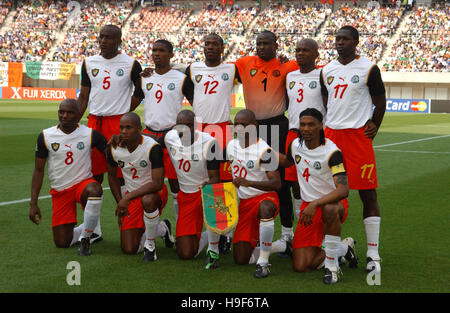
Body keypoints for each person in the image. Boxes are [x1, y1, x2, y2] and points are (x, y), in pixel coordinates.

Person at [320, 25, 386, 273]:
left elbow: (380, 101)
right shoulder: (326, 70)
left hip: (358, 137)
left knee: (368, 194)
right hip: (331, 136)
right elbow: (327, 101)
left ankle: (372, 253)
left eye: (345, 39)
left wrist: (374, 125)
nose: (339, 42)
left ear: (356, 42)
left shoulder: (369, 67)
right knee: (328, 191)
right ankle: (333, 247)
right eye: (337, 38)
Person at [234, 30, 299, 252]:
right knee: (247, 172)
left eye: (266, 43)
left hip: (276, 126)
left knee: (280, 179)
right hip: (251, 126)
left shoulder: (288, 65)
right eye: (258, 43)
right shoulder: (243, 63)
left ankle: (288, 234)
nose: (261, 47)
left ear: (275, 45)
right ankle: (245, 229)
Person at [278, 108, 357, 284]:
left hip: (333, 204)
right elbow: (287, 161)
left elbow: (343, 190)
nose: (306, 129)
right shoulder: (295, 145)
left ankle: (331, 267)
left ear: (321, 126)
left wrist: (315, 204)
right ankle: (344, 248)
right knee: (300, 265)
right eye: (302, 124)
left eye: (311, 124)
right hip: (310, 208)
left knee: (329, 209)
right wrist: (261, 149)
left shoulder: (332, 152)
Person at [184, 33, 241, 254]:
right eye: (206, 43)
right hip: (199, 129)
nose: (210, 47)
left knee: (223, 183)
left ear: (222, 47)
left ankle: (226, 232)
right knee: (200, 178)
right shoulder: (193, 68)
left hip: (222, 129)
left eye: (214, 44)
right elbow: (186, 88)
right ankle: (204, 230)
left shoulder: (231, 69)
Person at [29, 99, 106, 256]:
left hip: (82, 185)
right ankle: (91, 229)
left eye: (70, 112)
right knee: (62, 243)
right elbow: (38, 170)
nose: (64, 116)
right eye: (61, 112)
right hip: (61, 191)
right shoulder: (45, 136)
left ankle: (85, 238)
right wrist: (33, 203)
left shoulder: (90, 134)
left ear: (78, 115)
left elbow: (111, 155)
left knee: (95, 189)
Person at [227, 109, 290, 278]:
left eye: (244, 125)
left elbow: (277, 183)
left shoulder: (264, 151)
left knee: (266, 208)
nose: (240, 128)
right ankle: (282, 246)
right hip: (245, 203)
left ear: (254, 126)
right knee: (241, 259)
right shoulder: (231, 146)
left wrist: (249, 182)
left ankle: (263, 262)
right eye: (236, 125)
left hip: (264, 197)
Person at [78, 24, 145, 184]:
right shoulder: (89, 63)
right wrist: (73, 123)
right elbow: (83, 97)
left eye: (108, 37)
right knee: (94, 174)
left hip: (119, 124)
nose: (103, 40)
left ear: (119, 41)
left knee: (122, 174)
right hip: (94, 122)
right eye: (101, 36)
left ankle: (125, 208)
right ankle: (93, 207)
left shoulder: (131, 64)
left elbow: (140, 91)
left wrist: (126, 110)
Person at [156, 110, 222, 269]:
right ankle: (208, 236)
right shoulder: (170, 137)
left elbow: (215, 178)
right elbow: (150, 142)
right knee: (185, 253)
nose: (184, 130)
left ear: (195, 126)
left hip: (205, 194)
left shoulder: (210, 143)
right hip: (186, 197)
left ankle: (214, 250)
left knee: (213, 192)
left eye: (188, 126)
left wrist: (208, 186)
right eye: (180, 126)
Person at [140, 39, 194, 227]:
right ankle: (154, 227)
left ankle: (180, 227)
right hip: (149, 135)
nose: (156, 53)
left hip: (173, 137)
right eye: (154, 50)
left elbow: (197, 105)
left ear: (171, 54)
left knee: (176, 186)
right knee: (147, 183)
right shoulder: (144, 76)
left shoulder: (181, 79)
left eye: (161, 50)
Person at [106, 113, 174, 261]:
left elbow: (157, 184)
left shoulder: (152, 147)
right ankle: (162, 229)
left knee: (148, 201)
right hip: (132, 196)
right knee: (129, 248)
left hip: (155, 193)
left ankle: (150, 246)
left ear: (139, 129)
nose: (124, 131)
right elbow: (111, 176)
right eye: (121, 128)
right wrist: (120, 202)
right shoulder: (113, 148)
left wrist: (127, 198)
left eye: (128, 128)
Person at [285, 38, 326, 221]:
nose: (300, 53)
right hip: (293, 134)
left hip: (316, 137)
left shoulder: (323, 75)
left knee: (318, 182)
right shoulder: (290, 76)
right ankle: (301, 226)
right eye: (298, 50)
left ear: (316, 55)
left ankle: (323, 233)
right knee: (295, 184)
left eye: (306, 50)